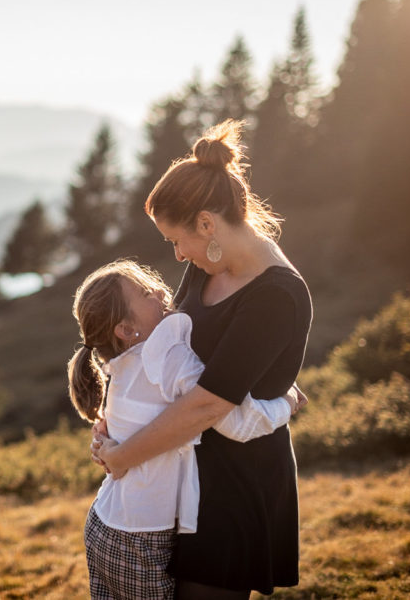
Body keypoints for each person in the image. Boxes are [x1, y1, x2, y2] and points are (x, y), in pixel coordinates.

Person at [92, 119, 313, 599]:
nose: (177, 254)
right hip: (181, 482)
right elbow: (166, 351)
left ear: (207, 224)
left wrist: (122, 458)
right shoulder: (205, 266)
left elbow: (207, 405)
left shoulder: (276, 295)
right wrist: (115, 425)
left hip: (233, 491)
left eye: (177, 240)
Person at [69, 259, 302, 600]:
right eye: (148, 293)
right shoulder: (170, 357)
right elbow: (236, 421)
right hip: (141, 541)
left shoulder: (117, 365)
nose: (163, 291)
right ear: (125, 329)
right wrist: (287, 403)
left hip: (103, 524)